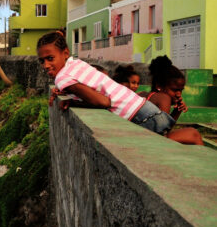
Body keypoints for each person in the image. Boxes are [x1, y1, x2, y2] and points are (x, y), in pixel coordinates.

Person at [36, 31, 203, 145]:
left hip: (139, 117)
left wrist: (72, 103)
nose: (46, 65)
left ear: (65, 53)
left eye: (50, 58)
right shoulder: (75, 63)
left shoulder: (62, 77)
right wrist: (67, 93)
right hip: (144, 108)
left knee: (176, 139)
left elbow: (103, 101)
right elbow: (89, 86)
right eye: (42, 61)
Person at [140, 56, 203, 145]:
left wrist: (177, 110)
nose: (178, 94)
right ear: (159, 86)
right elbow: (164, 131)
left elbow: (162, 126)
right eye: (174, 90)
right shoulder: (164, 98)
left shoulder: (143, 94)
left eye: (181, 90)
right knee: (193, 134)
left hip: (140, 136)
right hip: (149, 141)